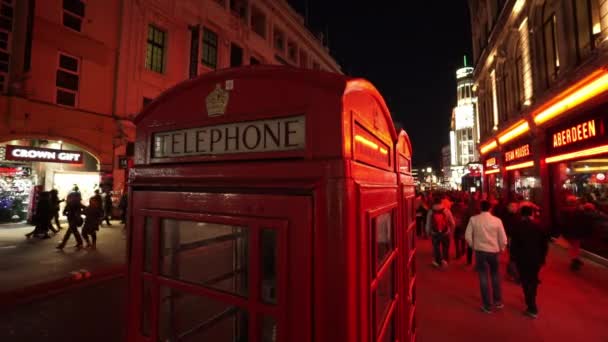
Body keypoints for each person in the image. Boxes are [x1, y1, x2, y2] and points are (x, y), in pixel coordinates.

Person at [465, 200, 508, 313]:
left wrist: (473, 245)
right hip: (493, 251)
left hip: (480, 251)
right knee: (495, 275)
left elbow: (467, 236)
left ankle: (487, 305)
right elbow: (503, 238)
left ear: (480, 208)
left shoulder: (474, 220)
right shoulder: (497, 221)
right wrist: (502, 248)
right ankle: (497, 301)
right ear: (490, 209)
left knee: (483, 277)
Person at [510, 206, 549, 318]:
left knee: (525, 281)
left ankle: (531, 305)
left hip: (522, 259)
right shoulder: (538, 226)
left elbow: (513, 244)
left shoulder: (517, 227)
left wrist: (513, 258)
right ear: (532, 214)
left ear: (521, 215)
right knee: (533, 278)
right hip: (536, 258)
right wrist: (542, 258)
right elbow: (544, 245)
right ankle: (532, 298)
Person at [426, 196, 455, 268]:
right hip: (445, 232)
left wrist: (428, 232)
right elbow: (452, 223)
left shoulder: (431, 211)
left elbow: (428, 223)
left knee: (436, 248)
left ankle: (438, 262)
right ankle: (445, 261)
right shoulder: (447, 210)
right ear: (441, 202)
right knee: (445, 247)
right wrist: (451, 231)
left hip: (434, 233)